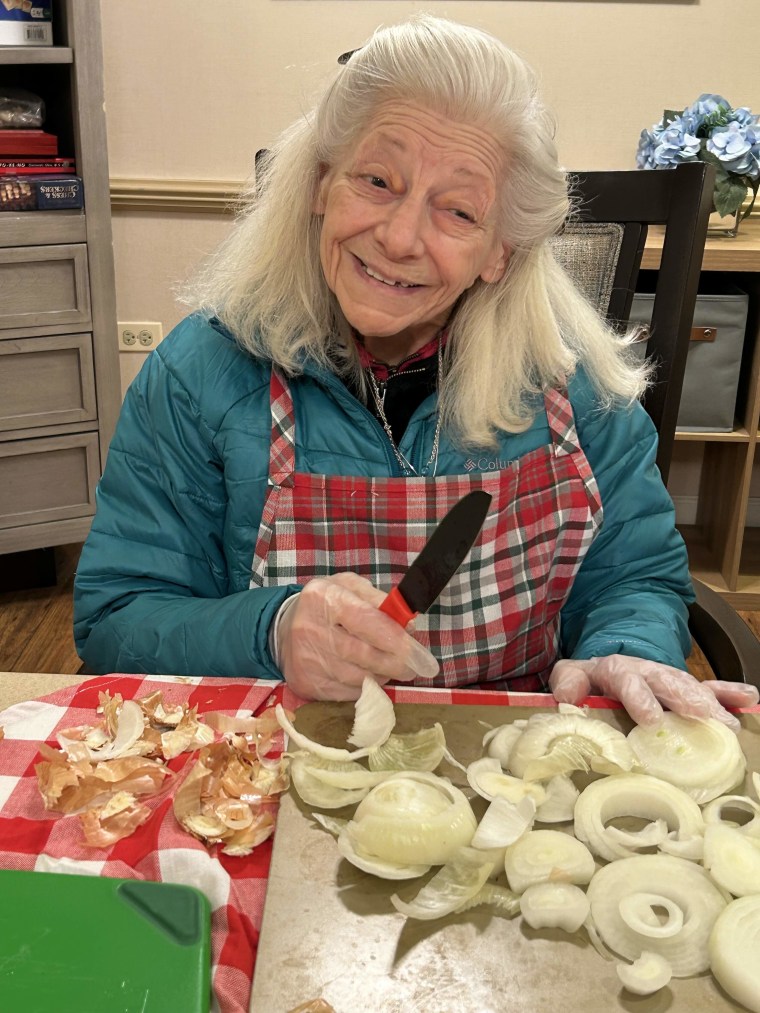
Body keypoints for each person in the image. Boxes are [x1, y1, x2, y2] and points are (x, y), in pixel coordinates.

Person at [74, 14, 757, 728]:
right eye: (376, 179)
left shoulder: (576, 381)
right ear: (320, 184)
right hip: (278, 759)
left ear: (500, 251)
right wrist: (270, 631)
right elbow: (117, 618)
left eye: (458, 210)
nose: (399, 239)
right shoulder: (197, 376)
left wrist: (628, 647)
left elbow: (634, 575)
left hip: (518, 764)